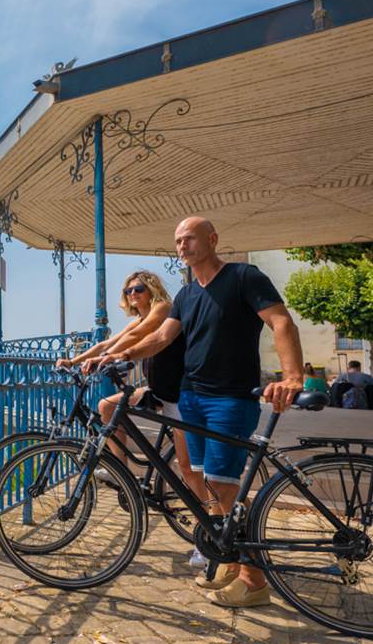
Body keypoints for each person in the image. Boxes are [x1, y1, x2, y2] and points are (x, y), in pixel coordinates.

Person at [96, 217, 304, 609]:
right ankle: (231, 562)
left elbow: (280, 321)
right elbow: (162, 337)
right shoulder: (187, 295)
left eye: (189, 238)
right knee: (209, 484)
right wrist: (123, 355)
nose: (182, 246)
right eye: (177, 240)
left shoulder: (243, 277)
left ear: (212, 239)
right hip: (191, 397)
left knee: (224, 487)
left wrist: (292, 376)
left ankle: (254, 581)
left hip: (230, 398)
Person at [56, 272, 194, 552]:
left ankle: (209, 521)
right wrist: (74, 360)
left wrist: (103, 359)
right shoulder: (139, 318)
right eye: (128, 290)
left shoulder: (163, 308)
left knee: (188, 468)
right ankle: (120, 470)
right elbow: (106, 343)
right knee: (106, 406)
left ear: (151, 289)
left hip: (177, 394)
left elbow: (135, 337)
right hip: (156, 389)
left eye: (138, 289)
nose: (132, 294)